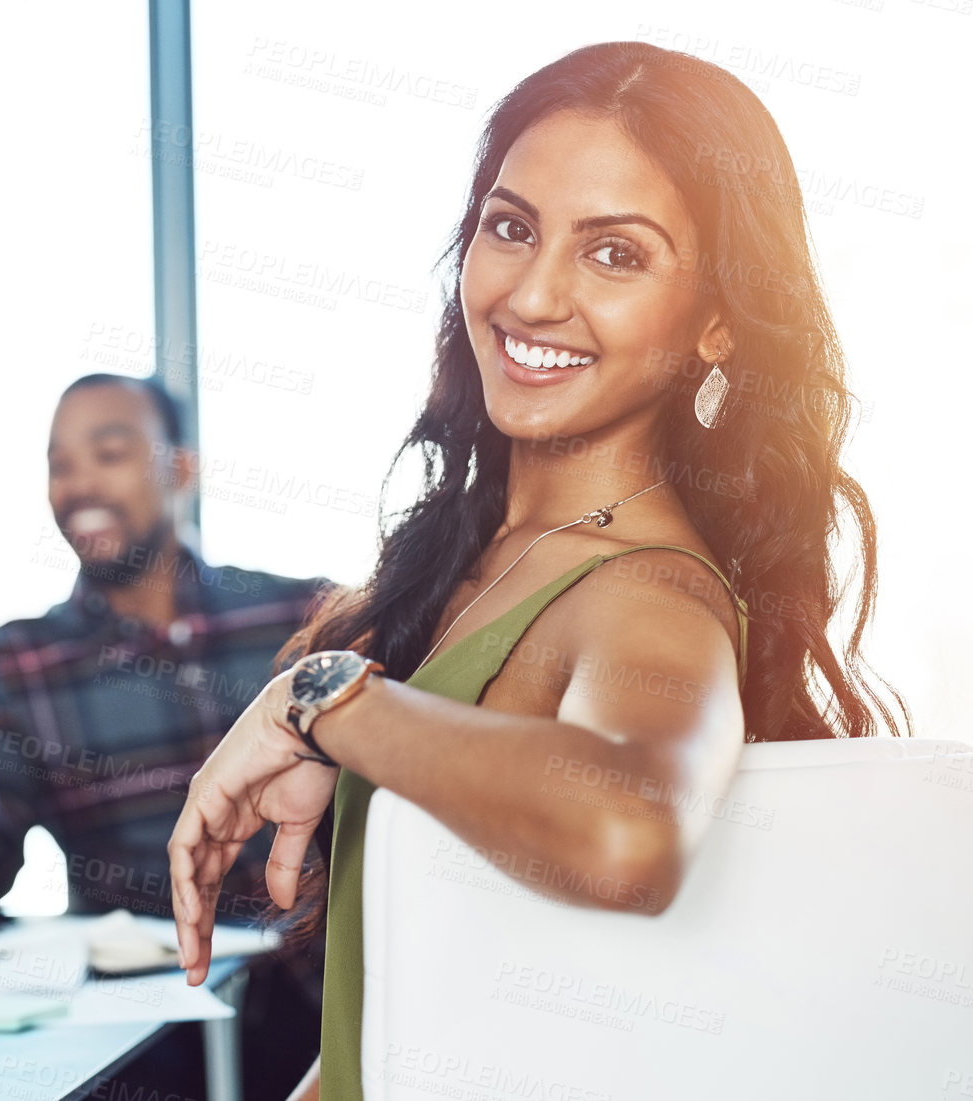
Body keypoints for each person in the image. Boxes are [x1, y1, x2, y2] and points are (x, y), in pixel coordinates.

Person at [166, 41, 911, 1101]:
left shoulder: (647, 592)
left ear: (716, 320)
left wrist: (321, 701)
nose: (535, 294)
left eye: (616, 255)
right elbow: (403, 1017)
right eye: (510, 229)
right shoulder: (478, 558)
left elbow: (627, 835)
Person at [0, 373, 332, 1094]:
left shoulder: (303, 617)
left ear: (180, 467)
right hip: (148, 1027)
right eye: (59, 464)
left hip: (323, 995)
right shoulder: (12, 667)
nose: (79, 483)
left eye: (109, 452)